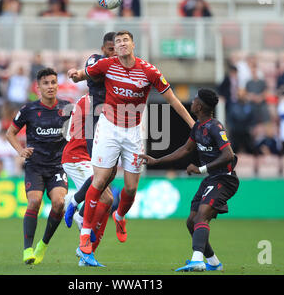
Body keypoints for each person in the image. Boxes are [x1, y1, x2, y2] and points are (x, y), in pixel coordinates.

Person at [68, 30, 195, 266]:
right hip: (108, 128)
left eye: (125, 40)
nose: (122, 44)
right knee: (100, 179)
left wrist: (193, 125)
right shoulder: (106, 65)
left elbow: (173, 100)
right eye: (118, 42)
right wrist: (74, 75)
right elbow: (82, 76)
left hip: (134, 131)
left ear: (133, 44)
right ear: (114, 48)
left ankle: (120, 215)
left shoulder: (149, 71)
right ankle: (85, 236)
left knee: (131, 188)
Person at [140, 89, 239, 272]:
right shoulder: (198, 127)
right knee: (191, 221)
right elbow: (185, 150)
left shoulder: (215, 127)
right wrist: (157, 160)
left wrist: (200, 169)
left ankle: (197, 260)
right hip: (211, 179)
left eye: (194, 100)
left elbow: (229, 155)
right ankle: (214, 263)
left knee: (202, 216)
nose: (192, 102)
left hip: (224, 179)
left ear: (199, 106)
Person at [62, 32, 118, 266]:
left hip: (107, 130)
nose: (113, 52)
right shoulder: (96, 62)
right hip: (85, 138)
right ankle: (74, 203)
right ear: (103, 48)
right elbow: (90, 72)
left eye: (115, 49)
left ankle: (87, 252)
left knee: (108, 192)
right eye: (110, 48)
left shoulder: (118, 68)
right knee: (103, 186)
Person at [6, 68, 71, 265]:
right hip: (35, 166)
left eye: (53, 82)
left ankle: (42, 245)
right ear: (38, 87)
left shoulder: (68, 108)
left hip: (58, 166)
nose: (50, 86)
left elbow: (79, 134)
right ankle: (27, 250)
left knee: (59, 203)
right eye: (46, 83)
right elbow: (10, 133)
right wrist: (20, 150)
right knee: (34, 202)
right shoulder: (28, 110)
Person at [226, 88, 255, 154]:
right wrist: (232, 128)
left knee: (250, 150)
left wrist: (250, 128)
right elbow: (229, 119)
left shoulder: (249, 106)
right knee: (233, 151)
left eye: (243, 94)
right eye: (239, 94)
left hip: (246, 132)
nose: (241, 96)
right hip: (235, 132)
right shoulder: (232, 106)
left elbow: (252, 119)